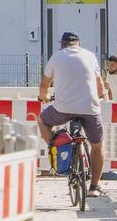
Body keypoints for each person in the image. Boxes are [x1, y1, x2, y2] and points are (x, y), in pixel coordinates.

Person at [39, 33, 110, 193]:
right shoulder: (91, 56)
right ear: (79, 44)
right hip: (89, 108)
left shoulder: (56, 57)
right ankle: (94, 186)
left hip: (63, 108)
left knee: (42, 121)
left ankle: (59, 148)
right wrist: (99, 95)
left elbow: (44, 86)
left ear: (62, 44)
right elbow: (100, 87)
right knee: (97, 146)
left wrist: (45, 97)